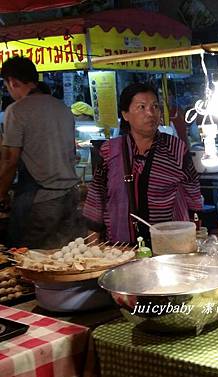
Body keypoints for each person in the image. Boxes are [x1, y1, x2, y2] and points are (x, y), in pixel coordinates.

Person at [83, 83, 203, 244]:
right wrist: (93, 247)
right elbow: (97, 197)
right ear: (125, 114)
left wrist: (194, 232)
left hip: (168, 246)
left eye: (155, 106)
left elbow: (193, 194)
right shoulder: (110, 151)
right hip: (120, 248)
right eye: (142, 107)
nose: (150, 113)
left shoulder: (176, 148)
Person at [0, 56, 83, 248]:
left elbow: (10, 161)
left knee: (26, 260)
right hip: (70, 196)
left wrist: (1, 194)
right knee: (62, 260)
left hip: (41, 200)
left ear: (12, 82)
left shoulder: (16, 111)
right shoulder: (61, 107)